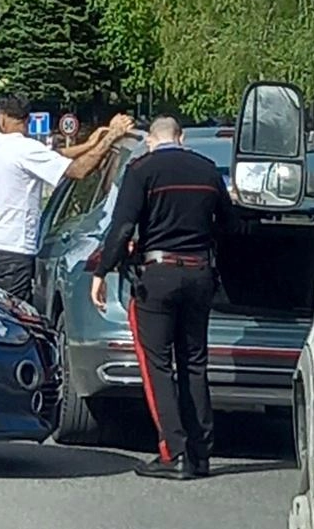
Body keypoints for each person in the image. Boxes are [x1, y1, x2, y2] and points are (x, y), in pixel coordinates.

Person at [89, 115, 237, 480]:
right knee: (194, 362)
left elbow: (123, 226)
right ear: (181, 138)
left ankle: (174, 452)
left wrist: (102, 271)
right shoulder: (206, 170)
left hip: (157, 275)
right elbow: (230, 225)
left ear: (152, 140)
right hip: (200, 273)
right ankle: (202, 454)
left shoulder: (142, 169)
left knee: (156, 364)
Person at [0, 92, 136, 302]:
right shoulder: (25, 150)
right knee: (14, 319)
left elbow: (51, 157)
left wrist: (90, 145)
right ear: (28, 119)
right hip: (12, 251)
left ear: (1, 117)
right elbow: (78, 171)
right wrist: (111, 136)